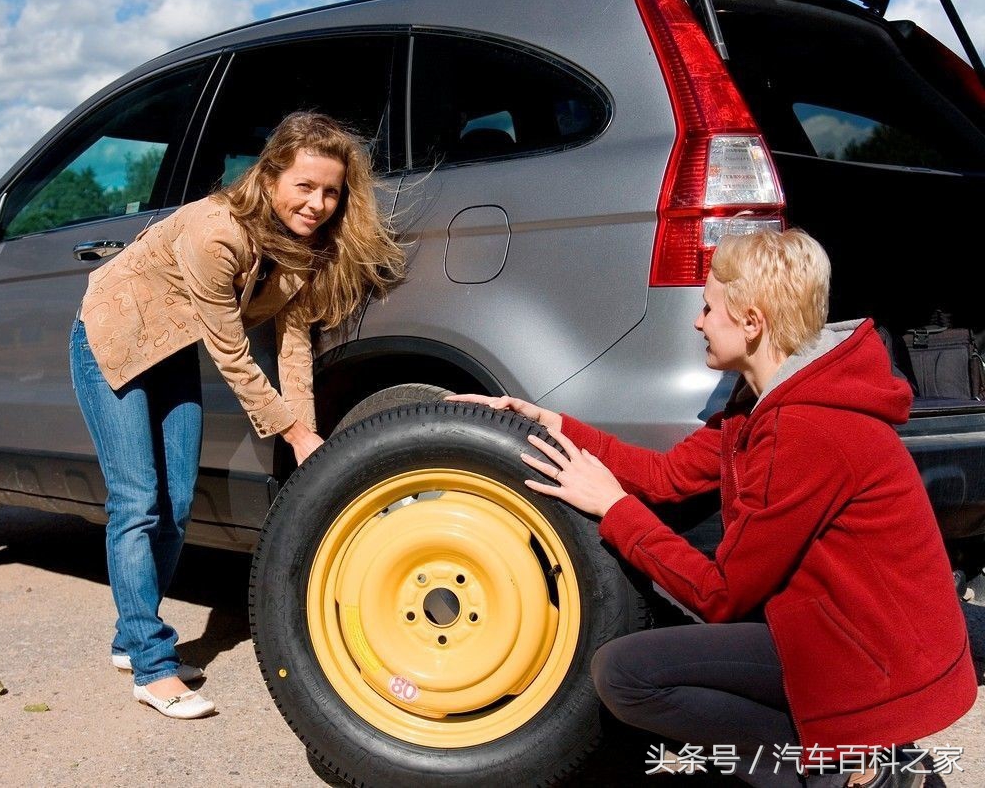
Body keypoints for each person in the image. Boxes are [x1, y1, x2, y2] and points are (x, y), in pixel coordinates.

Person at [450, 229, 976, 786]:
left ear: (751, 323)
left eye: (707, 308)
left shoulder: (806, 428)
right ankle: (850, 761)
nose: (698, 321)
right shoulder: (767, 401)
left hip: (867, 656)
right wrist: (549, 425)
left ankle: (849, 774)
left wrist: (615, 510)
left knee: (626, 675)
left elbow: (721, 595)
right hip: (838, 631)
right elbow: (669, 476)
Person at [71, 112, 404, 719]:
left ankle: (130, 636)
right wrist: (295, 432)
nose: (318, 203)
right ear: (271, 174)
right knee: (136, 501)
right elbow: (231, 352)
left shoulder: (304, 246)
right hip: (110, 341)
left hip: (168, 347)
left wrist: (304, 440)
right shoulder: (215, 231)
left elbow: (295, 345)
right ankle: (150, 665)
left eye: (331, 191)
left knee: (174, 502)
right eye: (305, 186)